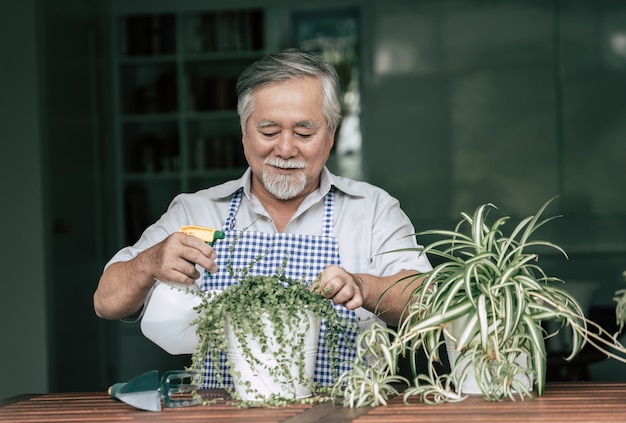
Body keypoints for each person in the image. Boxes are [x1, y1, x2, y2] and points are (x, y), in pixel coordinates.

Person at [94, 48, 432, 388]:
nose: (285, 149)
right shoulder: (196, 211)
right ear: (243, 134)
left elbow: (428, 302)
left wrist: (363, 286)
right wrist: (149, 262)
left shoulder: (372, 210)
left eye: (304, 133)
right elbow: (105, 301)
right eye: (269, 132)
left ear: (331, 135)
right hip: (221, 413)